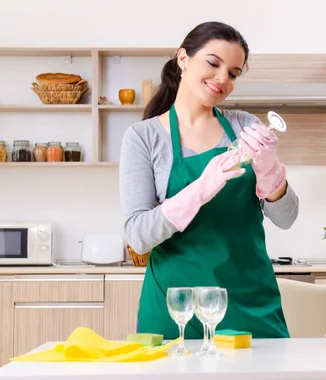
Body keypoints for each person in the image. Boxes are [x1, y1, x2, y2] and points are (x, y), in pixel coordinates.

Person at [118, 21, 299, 340]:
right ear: (183, 59)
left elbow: (286, 218)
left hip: (249, 302)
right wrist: (200, 189)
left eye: (232, 73)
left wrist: (270, 172)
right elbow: (138, 236)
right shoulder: (144, 138)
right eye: (213, 63)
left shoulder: (244, 126)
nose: (222, 79)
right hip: (176, 309)